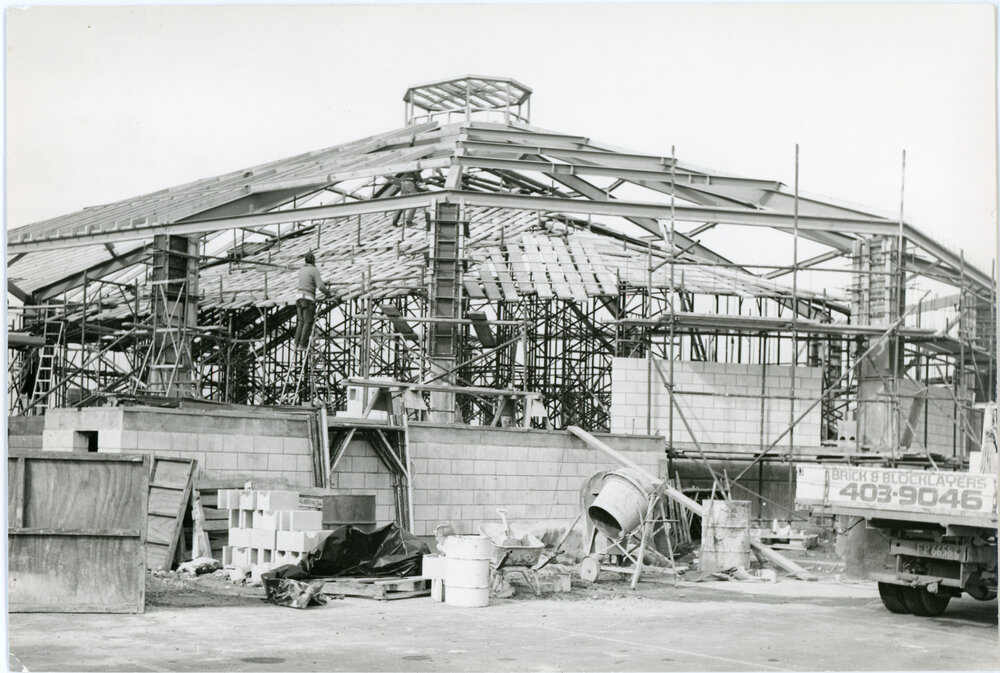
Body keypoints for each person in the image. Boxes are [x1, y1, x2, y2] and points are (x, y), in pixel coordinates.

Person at [293, 251, 332, 351]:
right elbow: (320, 286)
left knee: (301, 322)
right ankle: (303, 344)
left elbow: (308, 281)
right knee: (308, 322)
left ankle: (296, 343)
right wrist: (328, 294)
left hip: (298, 297)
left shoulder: (302, 269)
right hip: (308, 298)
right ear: (313, 261)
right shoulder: (314, 270)